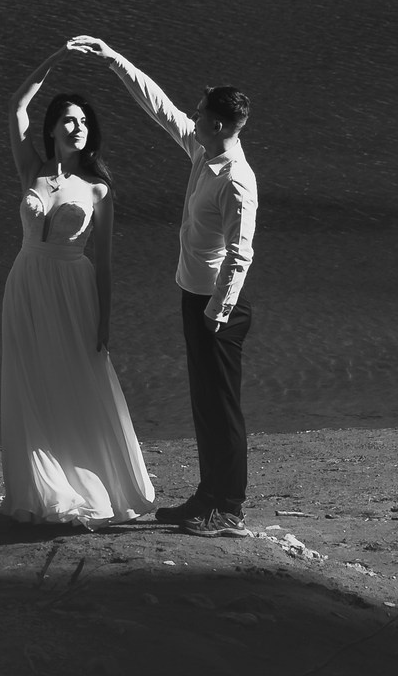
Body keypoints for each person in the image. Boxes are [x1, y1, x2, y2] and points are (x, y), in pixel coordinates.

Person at [63, 35, 257, 537]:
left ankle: (228, 507)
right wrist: (114, 60)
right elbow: (160, 107)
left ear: (218, 124)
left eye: (200, 114)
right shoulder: (202, 149)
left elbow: (241, 253)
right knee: (203, 405)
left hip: (218, 307)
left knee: (222, 407)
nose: (190, 118)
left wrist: (218, 310)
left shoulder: (236, 178)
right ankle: (206, 497)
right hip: (196, 297)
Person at [0, 50, 155, 527]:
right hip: (26, 283)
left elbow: (104, 264)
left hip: (73, 289)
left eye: (83, 121)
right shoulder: (32, 170)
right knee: (31, 383)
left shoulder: (98, 190)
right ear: (52, 129)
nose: (76, 128)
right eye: (67, 120)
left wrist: (105, 319)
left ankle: (96, 483)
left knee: (78, 383)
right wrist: (54, 58)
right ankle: (43, 488)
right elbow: (15, 109)